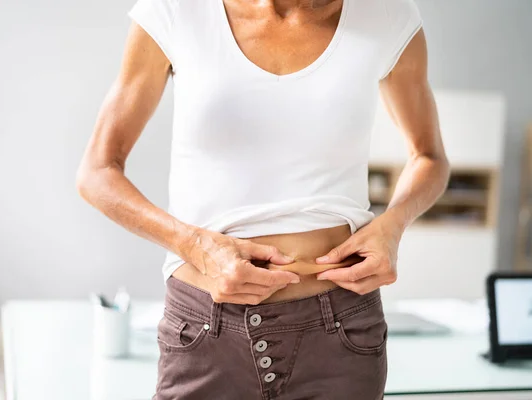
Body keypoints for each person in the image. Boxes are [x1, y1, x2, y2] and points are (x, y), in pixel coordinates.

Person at [76, 0, 449, 398]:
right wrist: (195, 245)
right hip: (205, 330)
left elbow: (429, 157)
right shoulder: (175, 9)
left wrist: (392, 227)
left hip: (341, 334)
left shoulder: (387, 14)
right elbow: (97, 173)